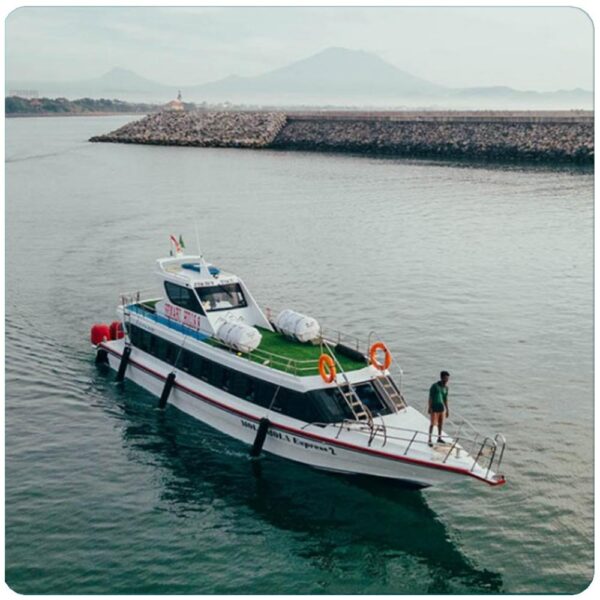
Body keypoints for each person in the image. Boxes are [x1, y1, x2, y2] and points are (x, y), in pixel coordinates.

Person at [428, 371, 450, 446]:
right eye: (445, 378)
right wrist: (429, 407)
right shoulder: (434, 386)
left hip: (441, 408)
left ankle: (439, 438)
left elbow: (445, 399)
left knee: (440, 424)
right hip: (434, 408)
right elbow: (430, 397)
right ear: (441, 378)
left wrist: (447, 410)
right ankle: (429, 439)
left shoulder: (446, 388)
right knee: (432, 424)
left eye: (447, 379)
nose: (446, 380)